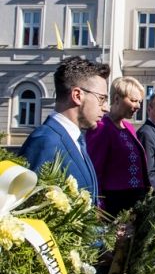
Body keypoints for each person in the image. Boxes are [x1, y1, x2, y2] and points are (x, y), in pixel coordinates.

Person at [20, 56, 110, 204]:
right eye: (101, 99)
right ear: (77, 95)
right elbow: (28, 210)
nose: (106, 108)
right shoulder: (45, 141)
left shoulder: (76, 138)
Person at [86, 76, 150, 216]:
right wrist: (98, 205)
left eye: (139, 101)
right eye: (133, 100)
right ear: (116, 99)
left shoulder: (129, 127)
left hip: (135, 200)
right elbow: (95, 171)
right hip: (113, 203)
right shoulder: (101, 128)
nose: (138, 106)